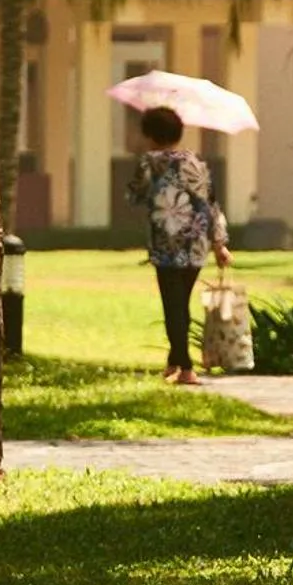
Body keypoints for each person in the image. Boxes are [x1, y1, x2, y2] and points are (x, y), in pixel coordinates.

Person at [126, 106, 230, 384]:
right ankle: (175, 362)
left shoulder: (149, 162)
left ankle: (186, 367)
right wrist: (220, 244)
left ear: (150, 134)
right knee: (180, 303)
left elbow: (134, 196)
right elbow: (212, 205)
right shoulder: (197, 162)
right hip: (197, 243)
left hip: (166, 243)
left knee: (173, 305)